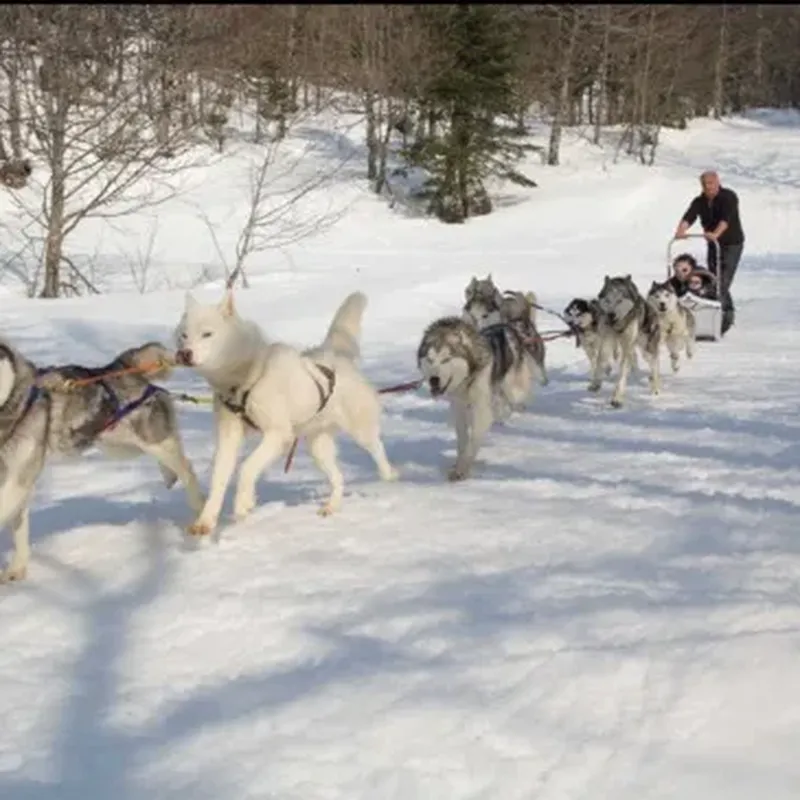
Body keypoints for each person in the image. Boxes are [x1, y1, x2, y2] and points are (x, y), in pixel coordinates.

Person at [673, 170, 744, 335]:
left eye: (711, 183)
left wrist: (716, 234)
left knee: (723, 280)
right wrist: (680, 230)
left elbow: (726, 219)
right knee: (712, 278)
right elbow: (689, 216)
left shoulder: (729, 197)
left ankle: (726, 315)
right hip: (713, 244)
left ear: (717, 182)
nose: (708, 187)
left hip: (731, 243)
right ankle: (707, 312)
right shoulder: (700, 201)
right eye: (705, 184)